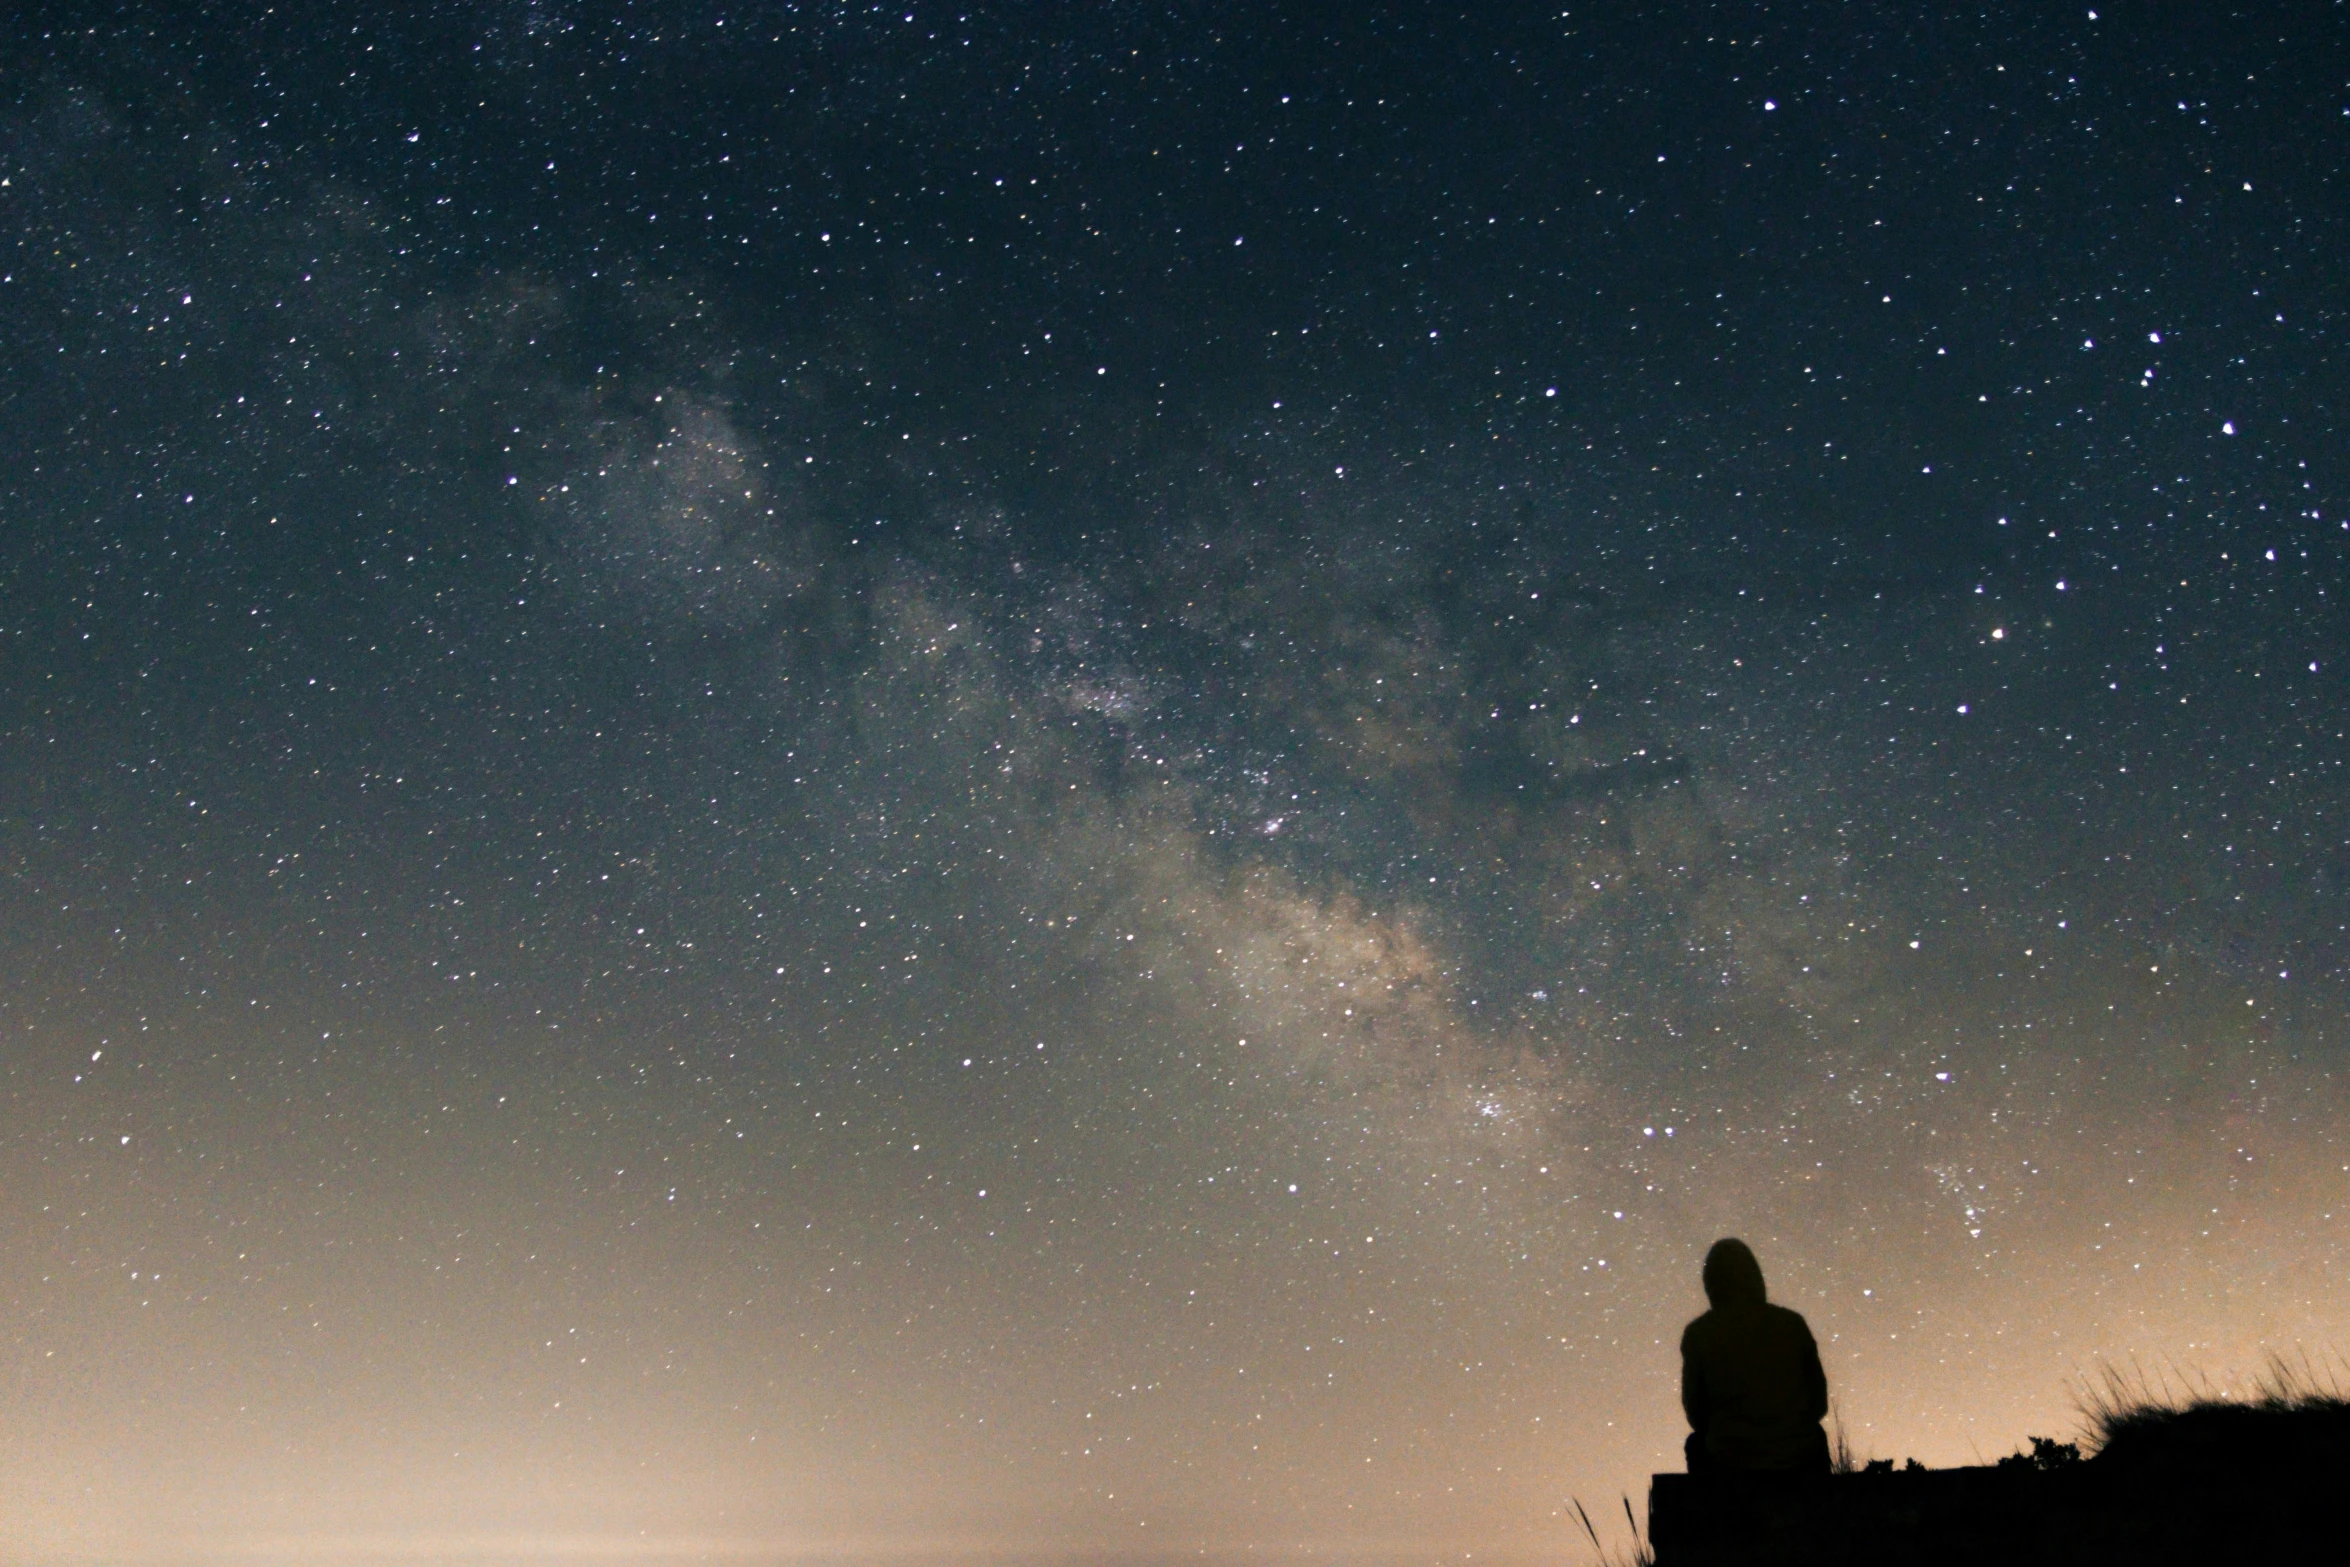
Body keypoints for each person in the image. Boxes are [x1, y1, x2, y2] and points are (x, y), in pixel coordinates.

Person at [1679, 1238, 1830, 1474]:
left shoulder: (1699, 1333)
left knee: (1696, 1444)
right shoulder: (1792, 1324)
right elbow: (1818, 1403)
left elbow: (1697, 1413)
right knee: (1817, 1435)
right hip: (1797, 1456)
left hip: (1729, 1459)